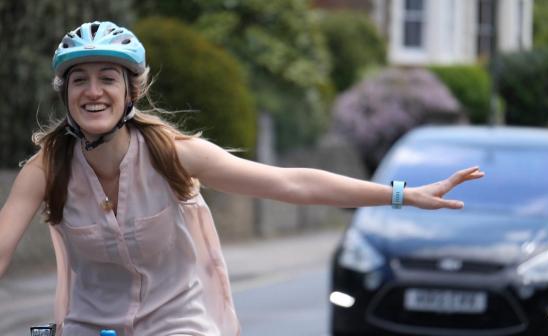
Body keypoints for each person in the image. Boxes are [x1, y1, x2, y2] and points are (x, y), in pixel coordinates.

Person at [0, 21, 484, 336]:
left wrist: (402, 194)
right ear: (65, 93)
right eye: (79, 79)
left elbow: (291, 184)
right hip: (88, 326)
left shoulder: (174, 154)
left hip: (178, 325)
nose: (93, 90)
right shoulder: (47, 168)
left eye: (108, 77)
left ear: (132, 91)